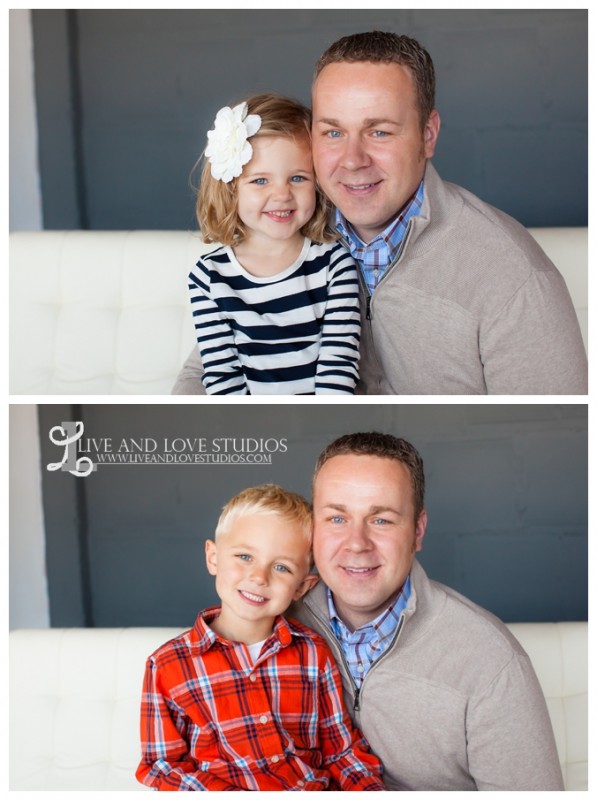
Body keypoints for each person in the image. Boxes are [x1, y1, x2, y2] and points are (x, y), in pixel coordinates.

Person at [173, 31, 587, 395]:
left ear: (428, 135)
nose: (352, 160)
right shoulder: (291, 228)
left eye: (379, 131)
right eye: (333, 132)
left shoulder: (514, 278)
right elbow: (210, 369)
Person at [288, 431, 565, 791]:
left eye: (381, 520)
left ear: (418, 531)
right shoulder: (277, 623)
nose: (356, 543)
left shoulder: (491, 661)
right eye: (337, 519)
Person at [136, 484, 385, 791]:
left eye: (281, 567)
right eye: (244, 556)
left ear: (302, 587)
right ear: (213, 558)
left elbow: (341, 751)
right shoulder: (167, 666)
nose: (259, 577)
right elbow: (163, 766)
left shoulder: (312, 653)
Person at [187, 92, 360, 394]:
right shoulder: (208, 277)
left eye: (298, 178)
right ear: (230, 190)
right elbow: (222, 376)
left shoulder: (334, 265)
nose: (282, 195)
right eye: (260, 181)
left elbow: (339, 367)